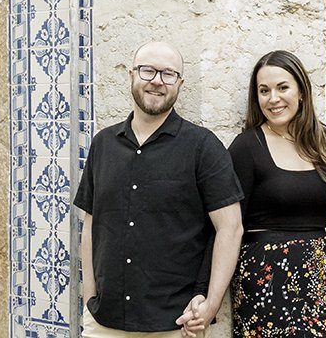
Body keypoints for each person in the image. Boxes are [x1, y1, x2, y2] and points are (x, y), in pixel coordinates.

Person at [74, 41, 244, 338]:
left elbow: (230, 228)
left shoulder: (203, 147)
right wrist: (90, 295)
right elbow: (91, 224)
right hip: (103, 322)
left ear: (180, 83)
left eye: (167, 74)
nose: (156, 80)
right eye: (147, 70)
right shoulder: (103, 144)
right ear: (131, 75)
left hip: (174, 324)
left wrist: (211, 305)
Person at [228, 50, 326, 338]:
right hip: (264, 286)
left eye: (282, 87)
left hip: (320, 282)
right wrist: (206, 293)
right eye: (264, 91)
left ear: (301, 91)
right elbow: (227, 228)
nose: (273, 98)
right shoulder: (246, 148)